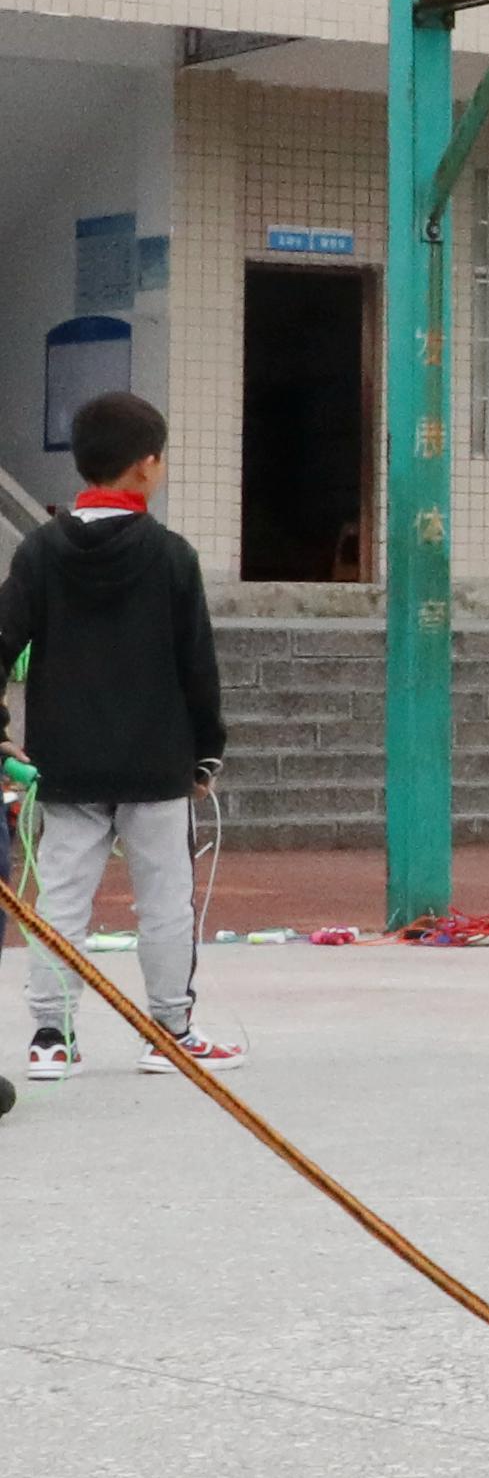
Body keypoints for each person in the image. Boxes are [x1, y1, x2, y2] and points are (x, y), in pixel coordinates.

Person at [5, 393, 236, 1079]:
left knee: (61, 898)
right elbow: (198, 661)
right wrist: (206, 750)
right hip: (156, 761)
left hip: (65, 763)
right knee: (164, 898)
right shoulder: (170, 556)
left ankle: (52, 1036)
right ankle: (170, 1030)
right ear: (146, 466)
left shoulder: (40, 552)